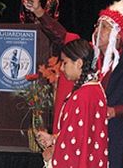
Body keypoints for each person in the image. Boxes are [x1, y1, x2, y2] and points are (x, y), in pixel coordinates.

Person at [22, 0, 123, 168]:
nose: (97, 30)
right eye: (97, 25)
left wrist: (115, 111)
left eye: (105, 26)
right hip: (86, 133)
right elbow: (62, 37)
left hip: (115, 132)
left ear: (118, 34)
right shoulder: (89, 56)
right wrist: (39, 11)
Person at [38, 39, 108, 168]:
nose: (62, 68)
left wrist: (52, 151)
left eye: (65, 62)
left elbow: (74, 140)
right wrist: (54, 138)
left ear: (79, 63)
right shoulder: (95, 89)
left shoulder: (83, 95)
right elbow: (78, 132)